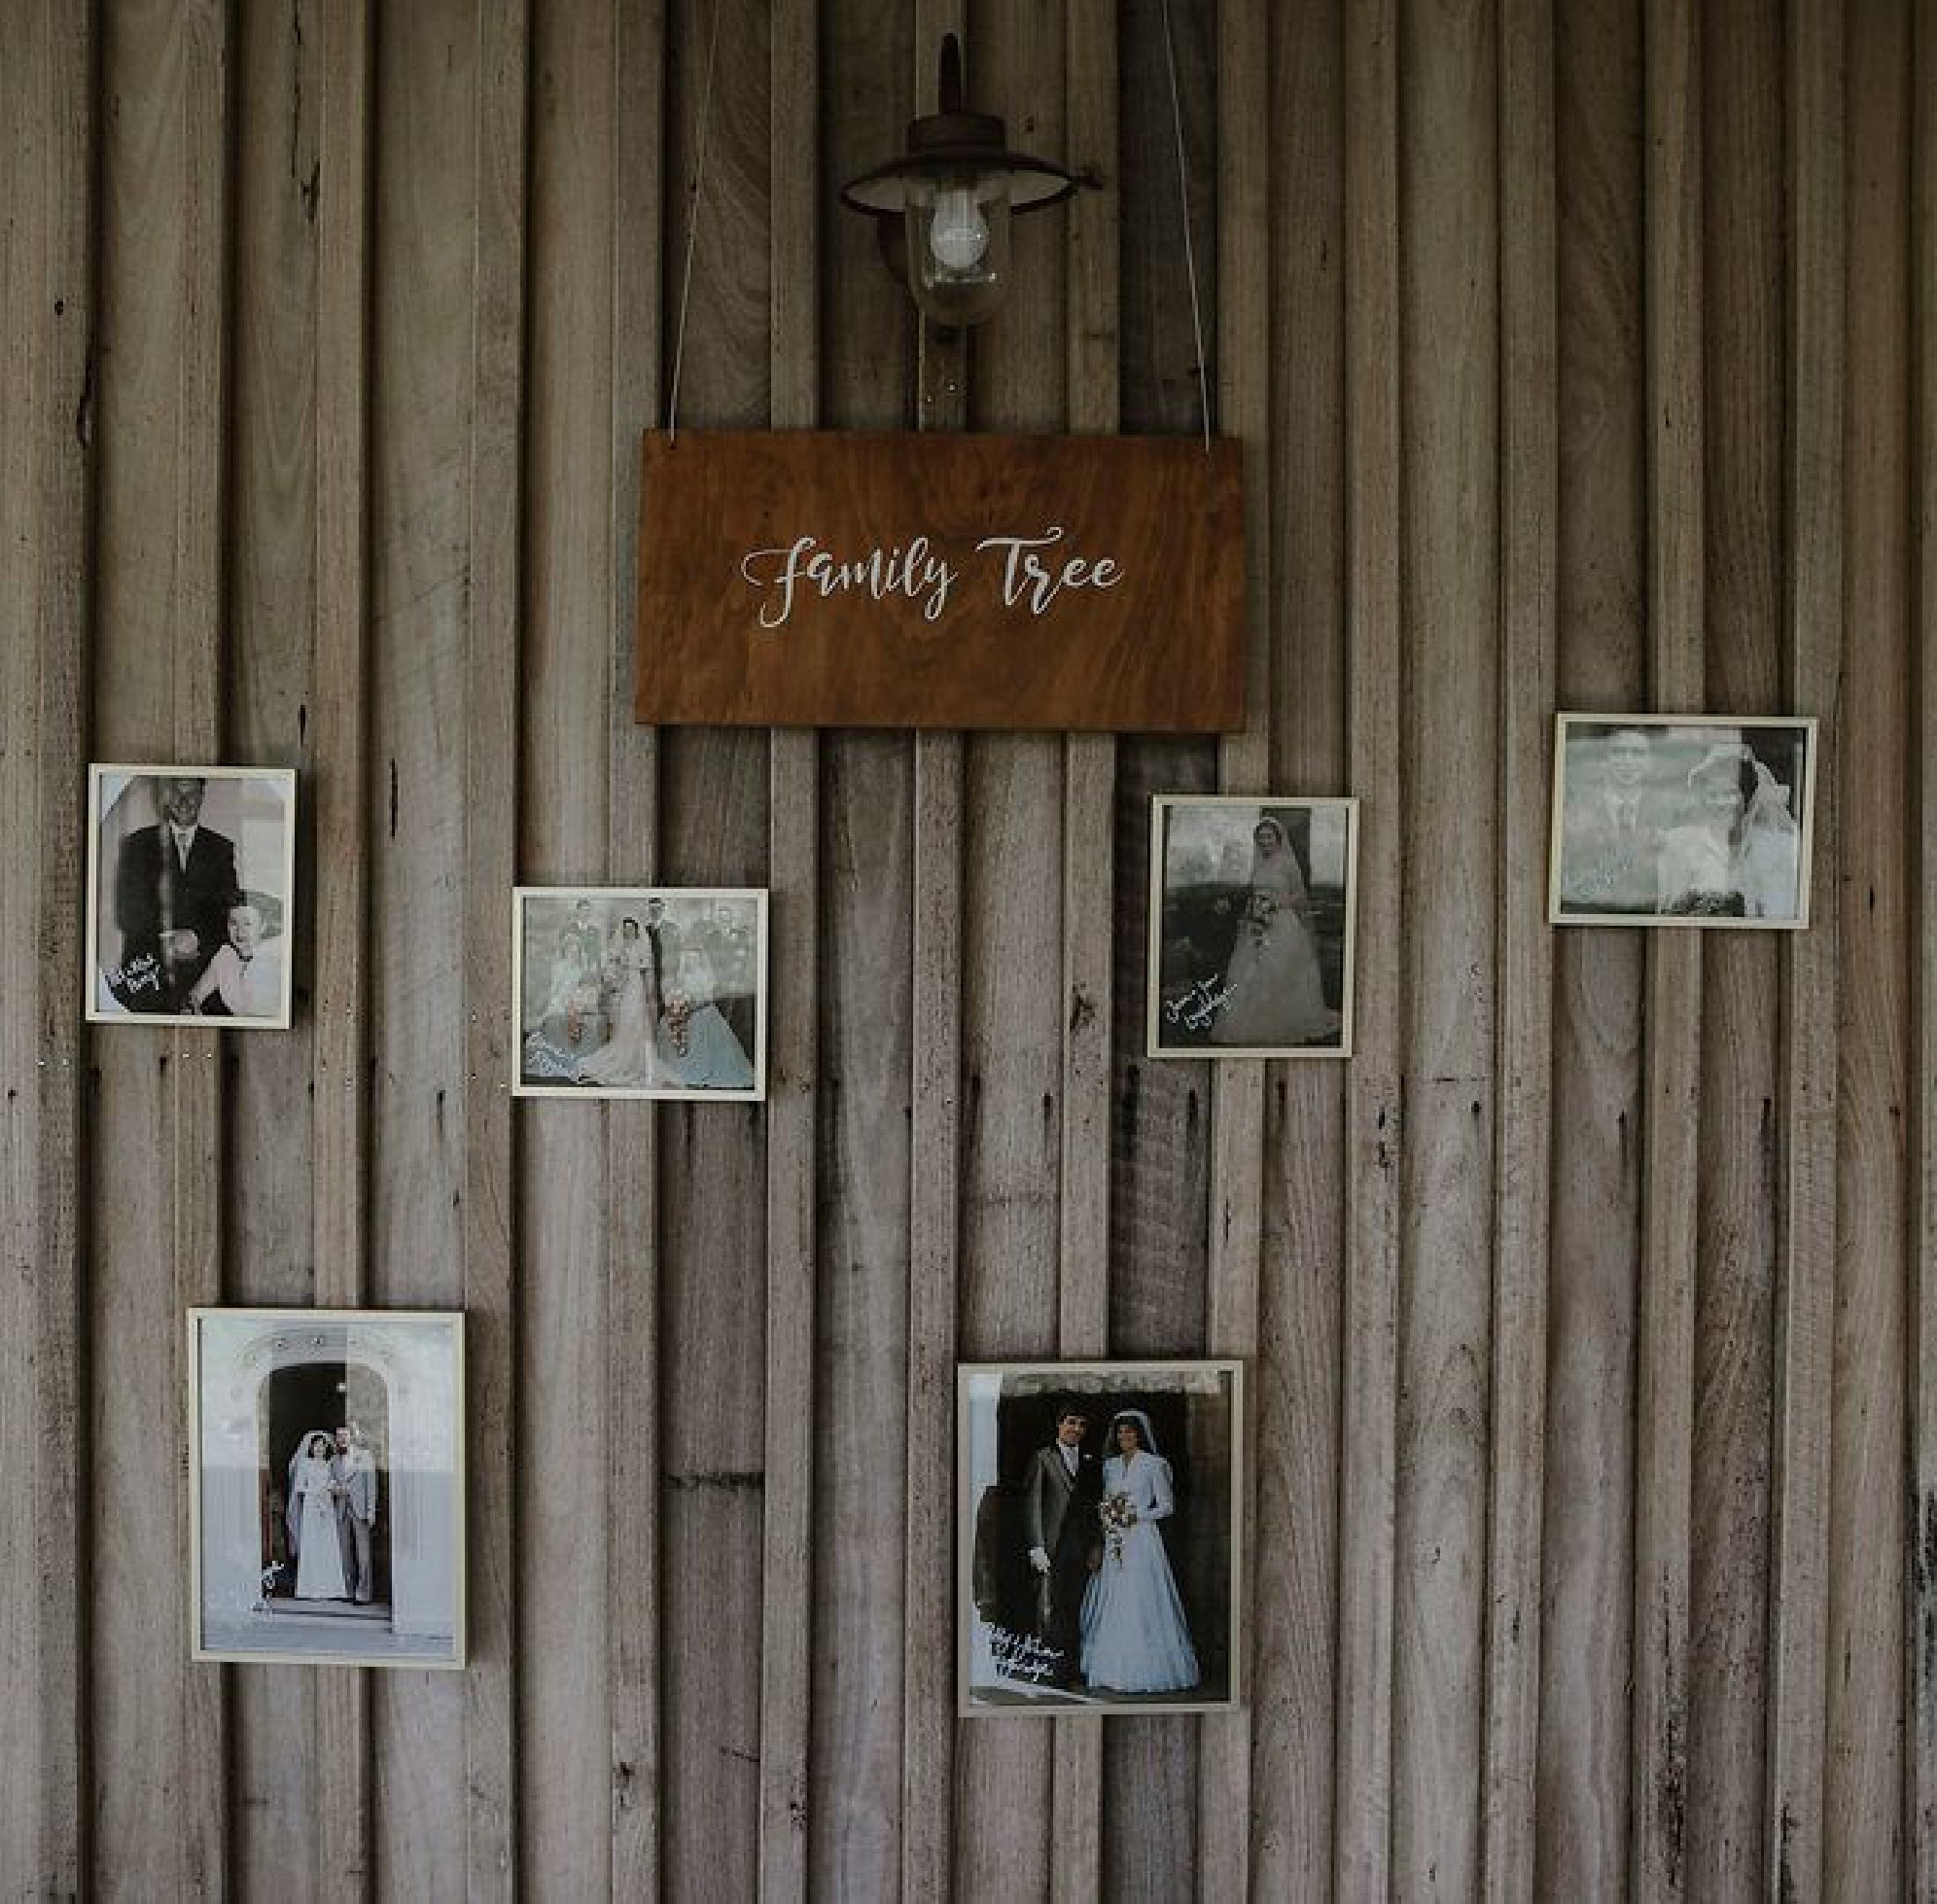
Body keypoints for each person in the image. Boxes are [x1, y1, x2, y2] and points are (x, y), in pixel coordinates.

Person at [1079, 1410, 1200, 1695]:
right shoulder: (1109, 1466)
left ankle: (1146, 1669)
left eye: (1130, 1431)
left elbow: (1167, 1506)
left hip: (1142, 1539)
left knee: (1140, 1596)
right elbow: (1105, 1501)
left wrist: (1135, 1516)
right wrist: (1108, 1521)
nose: (1124, 1436)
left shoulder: (1154, 1464)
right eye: (1120, 1431)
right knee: (1113, 1597)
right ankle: (1110, 1669)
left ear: (1140, 1434)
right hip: (1114, 1540)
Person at [109, 775, 241, 1011]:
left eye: (191, 794)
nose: (183, 801)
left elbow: (230, 911)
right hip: (148, 971)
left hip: (204, 974)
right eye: (176, 792)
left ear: (202, 797)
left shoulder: (221, 848)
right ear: (166, 796)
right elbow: (126, 912)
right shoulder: (136, 844)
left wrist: (197, 938)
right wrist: (168, 938)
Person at [1209, 814, 1338, 1047]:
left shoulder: (1287, 863)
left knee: (1278, 972)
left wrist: (1277, 903)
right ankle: (1248, 1025)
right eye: (1261, 838)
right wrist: (1251, 913)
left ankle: (1283, 1023)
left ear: (1278, 839)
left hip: (1283, 923)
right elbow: (1254, 893)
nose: (1265, 841)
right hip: (1257, 925)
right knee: (1249, 972)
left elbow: (1299, 894)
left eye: (1269, 837)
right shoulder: (1259, 864)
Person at [1657, 741, 1802, 919]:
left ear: (1747, 797)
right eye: (1713, 795)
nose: (1720, 803)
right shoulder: (1681, 844)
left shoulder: (1776, 846)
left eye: (1730, 794)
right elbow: (1670, 912)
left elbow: (1783, 912)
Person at [1020, 1401, 1100, 1685]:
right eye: (1071, 1422)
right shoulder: (1043, 1458)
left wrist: (1096, 1546)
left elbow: (1095, 1508)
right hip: (1052, 1545)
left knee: (1077, 1605)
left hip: (1079, 1547)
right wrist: (1036, 1546)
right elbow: (1032, 1504)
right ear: (1059, 1424)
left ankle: (1072, 1667)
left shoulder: (1090, 1461)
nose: (1076, 1429)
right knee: (1050, 1606)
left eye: (1081, 1424)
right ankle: (1051, 1668)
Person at [1558, 725, 1669, 913]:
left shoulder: (1669, 813)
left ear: (1651, 762)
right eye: (1618, 752)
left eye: (1638, 753)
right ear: (1603, 760)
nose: (1628, 762)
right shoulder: (1575, 813)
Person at [576, 917, 664, 1089]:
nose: (628, 931)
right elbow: (611, 965)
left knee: (637, 1017)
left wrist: (635, 968)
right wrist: (617, 972)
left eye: (631, 928)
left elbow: (646, 965)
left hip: (636, 983)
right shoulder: (620, 946)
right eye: (626, 928)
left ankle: (638, 1059)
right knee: (624, 1018)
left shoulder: (641, 945)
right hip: (623, 984)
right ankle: (623, 1054)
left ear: (636, 930)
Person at [655, 940, 755, 1090]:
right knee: (669, 1025)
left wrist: (695, 1003)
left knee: (705, 1028)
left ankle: (704, 1066)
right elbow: (680, 987)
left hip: (702, 1011)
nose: (691, 962)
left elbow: (707, 995)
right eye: (688, 961)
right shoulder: (683, 976)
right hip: (688, 1011)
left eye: (695, 960)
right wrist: (681, 1002)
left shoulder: (704, 975)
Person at [184, 901, 280, 1019]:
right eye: (233, 923)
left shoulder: (275, 958)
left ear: (263, 926)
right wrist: (191, 1010)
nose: (239, 932)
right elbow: (194, 996)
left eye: (248, 923)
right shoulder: (225, 956)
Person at [286, 1431, 350, 1603]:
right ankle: (311, 1589)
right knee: (312, 1544)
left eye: (322, 1446)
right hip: (311, 1506)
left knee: (327, 1544)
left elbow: (332, 1482)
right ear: (311, 1448)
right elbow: (299, 1487)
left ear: (326, 1448)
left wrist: (330, 1488)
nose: (319, 1448)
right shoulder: (305, 1464)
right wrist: (316, 1492)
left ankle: (330, 1589)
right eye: (316, 1446)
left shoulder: (329, 1465)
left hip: (327, 1506)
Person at [332, 1424, 380, 1605]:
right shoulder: (334, 1460)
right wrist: (335, 1489)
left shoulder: (365, 1456)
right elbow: (331, 1481)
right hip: (341, 1509)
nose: (342, 1439)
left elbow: (371, 1486)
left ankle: (364, 1593)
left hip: (360, 1510)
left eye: (345, 1435)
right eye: (339, 1436)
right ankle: (348, 1590)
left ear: (352, 1437)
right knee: (344, 1552)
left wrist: (371, 1510)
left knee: (363, 1554)